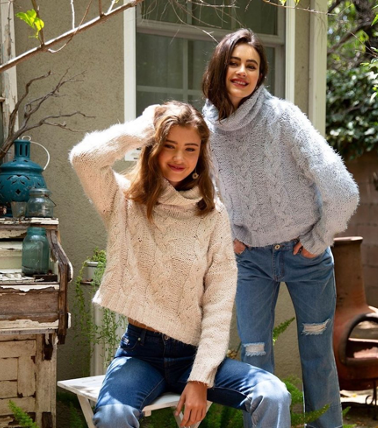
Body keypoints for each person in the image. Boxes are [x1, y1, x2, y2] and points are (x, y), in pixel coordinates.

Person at [69, 101, 291, 428]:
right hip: (140, 354)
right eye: (169, 146)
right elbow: (84, 158)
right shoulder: (124, 202)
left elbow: (218, 302)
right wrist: (142, 129)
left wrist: (200, 378)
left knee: (272, 394)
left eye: (190, 149)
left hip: (196, 352)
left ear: (200, 155)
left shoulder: (212, 215)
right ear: (154, 147)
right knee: (114, 416)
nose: (178, 158)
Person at [202, 29, 360, 428]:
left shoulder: (284, 119)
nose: (242, 71)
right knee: (254, 356)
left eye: (251, 65)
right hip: (250, 261)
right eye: (234, 62)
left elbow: (343, 190)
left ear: (261, 74)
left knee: (317, 355)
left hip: (304, 256)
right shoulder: (205, 130)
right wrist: (228, 235)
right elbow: (202, 194)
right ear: (219, 67)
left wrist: (318, 239)